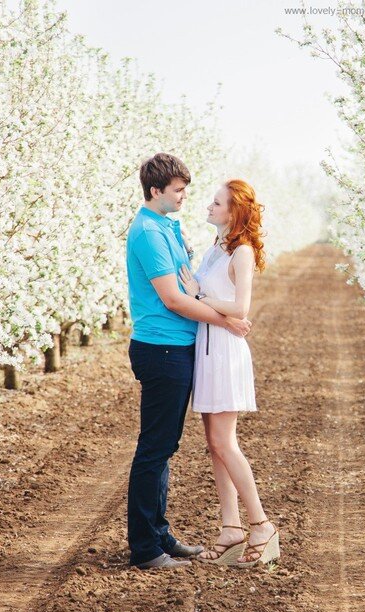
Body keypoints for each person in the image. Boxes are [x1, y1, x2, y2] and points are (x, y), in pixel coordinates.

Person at [124, 153, 251, 569]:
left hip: (177, 348)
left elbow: (192, 287)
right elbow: (174, 299)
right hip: (161, 348)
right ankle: (146, 548)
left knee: (165, 446)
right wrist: (227, 320)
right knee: (155, 447)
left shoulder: (166, 227)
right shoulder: (148, 231)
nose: (184, 198)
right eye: (177, 191)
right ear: (155, 190)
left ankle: (159, 535)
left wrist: (220, 315)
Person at [177, 179, 280, 567]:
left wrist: (198, 297)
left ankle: (261, 524)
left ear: (234, 211)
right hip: (209, 348)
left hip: (224, 352)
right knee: (214, 443)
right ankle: (230, 527)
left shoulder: (242, 252)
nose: (209, 205)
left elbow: (241, 308)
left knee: (225, 442)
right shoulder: (216, 250)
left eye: (216, 202)